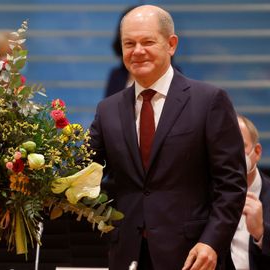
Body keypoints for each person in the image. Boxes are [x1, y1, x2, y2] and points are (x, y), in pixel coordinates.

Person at [89, 5, 247, 270]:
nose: (137, 51)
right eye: (129, 43)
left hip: (194, 256)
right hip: (128, 254)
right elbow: (82, 172)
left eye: (147, 41)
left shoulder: (209, 101)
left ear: (171, 44)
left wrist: (212, 242)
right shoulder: (107, 109)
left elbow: (231, 185)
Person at [225, 114, 270, 269]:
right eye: (225, 147)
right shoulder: (203, 195)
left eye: (240, 145)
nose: (232, 154)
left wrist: (261, 234)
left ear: (257, 152)